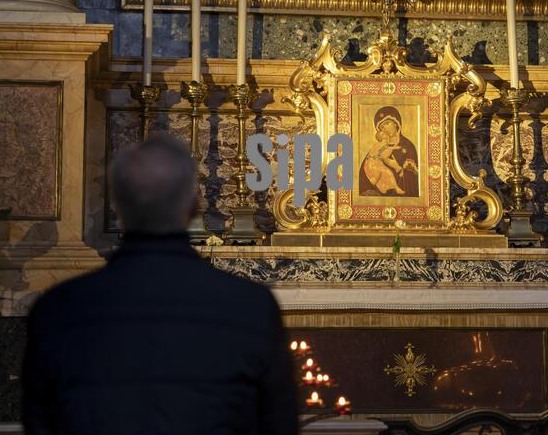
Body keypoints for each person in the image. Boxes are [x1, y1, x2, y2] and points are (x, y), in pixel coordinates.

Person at [22, 136, 298, 435]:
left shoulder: (56, 309)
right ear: (194, 206)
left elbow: (40, 423)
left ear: (116, 205)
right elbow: (278, 424)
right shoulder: (252, 307)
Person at [358, 106, 419, 197]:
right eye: (381, 127)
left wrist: (398, 168)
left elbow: (415, 179)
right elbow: (364, 177)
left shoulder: (408, 147)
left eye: (387, 123)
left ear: (396, 123)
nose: (384, 128)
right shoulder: (378, 147)